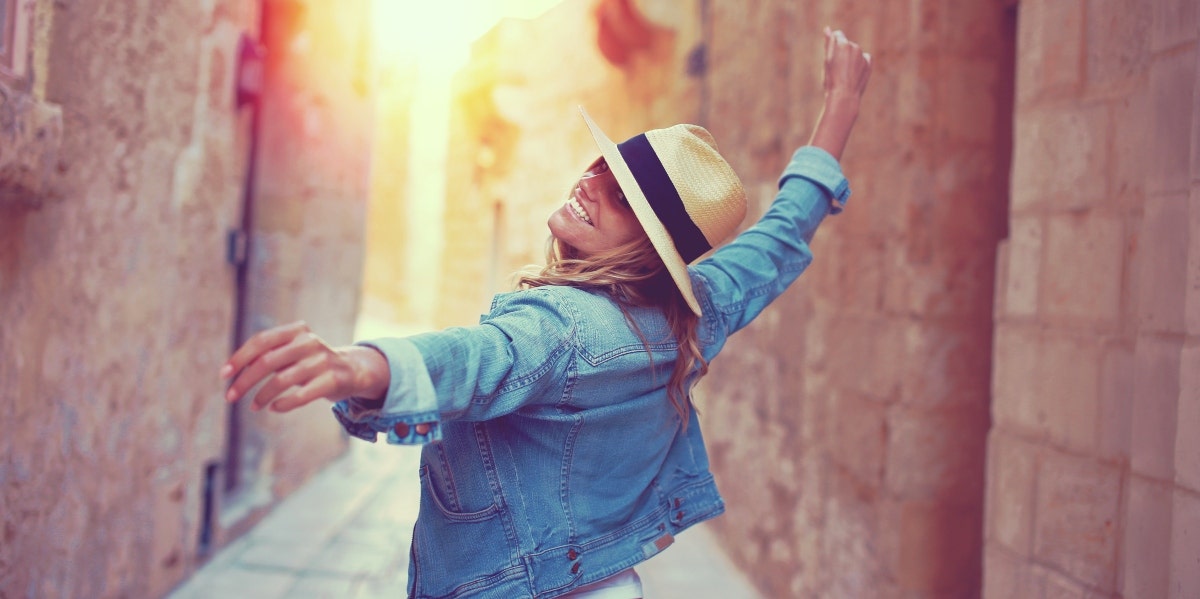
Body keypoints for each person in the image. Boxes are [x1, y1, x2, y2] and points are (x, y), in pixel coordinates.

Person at [221, 27, 871, 599]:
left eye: (620, 199)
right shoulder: (698, 309)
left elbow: (481, 359)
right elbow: (783, 232)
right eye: (601, 168)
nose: (588, 184)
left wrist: (362, 365)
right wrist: (839, 108)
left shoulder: (563, 326)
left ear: (647, 246)